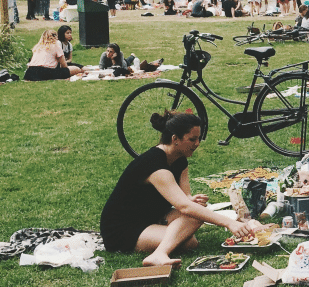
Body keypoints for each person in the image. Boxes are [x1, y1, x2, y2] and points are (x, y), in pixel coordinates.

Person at [101, 111, 264, 266]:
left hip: (152, 218)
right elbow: (184, 206)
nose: (197, 144)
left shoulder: (180, 160)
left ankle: (164, 239)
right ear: (175, 139)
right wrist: (229, 223)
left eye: (198, 138)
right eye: (192, 139)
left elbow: (186, 199)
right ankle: (158, 254)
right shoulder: (155, 166)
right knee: (189, 239)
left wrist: (190, 200)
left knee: (195, 220)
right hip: (123, 229)